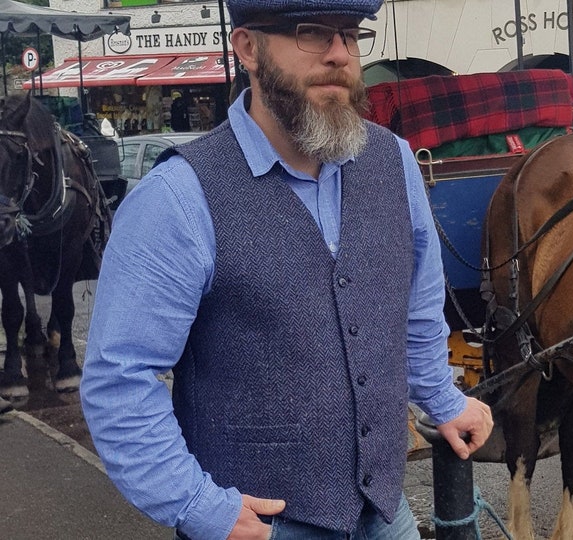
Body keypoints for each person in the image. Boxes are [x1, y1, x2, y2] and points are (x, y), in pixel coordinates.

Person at [80, 1, 493, 539]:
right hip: (263, 525)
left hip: (384, 513)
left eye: (350, 34)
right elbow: (120, 378)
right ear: (248, 48)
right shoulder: (178, 198)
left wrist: (441, 397)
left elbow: (414, 307)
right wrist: (197, 505)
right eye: (312, 33)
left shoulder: (394, 163)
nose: (340, 54)